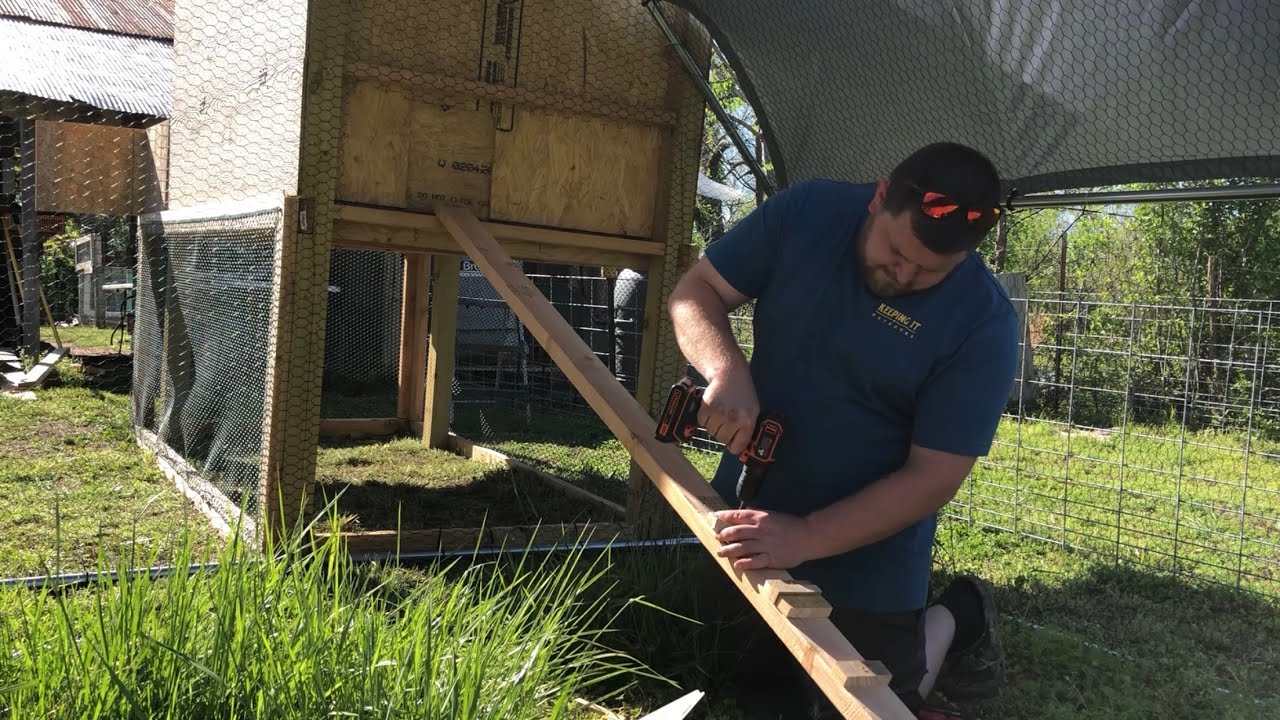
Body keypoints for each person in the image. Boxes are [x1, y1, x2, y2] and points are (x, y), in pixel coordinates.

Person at [667, 142, 1020, 719]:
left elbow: (933, 477)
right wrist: (725, 369)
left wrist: (807, 535)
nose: (903, 274)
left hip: (870, 556)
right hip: (749, 517)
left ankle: (955, 615)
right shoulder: (808, 212)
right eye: (896, 250)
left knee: (874, 705)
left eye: (930, 272)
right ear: (879, 198)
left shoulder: (984, 322)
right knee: (746, 690)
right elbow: (695, 292)